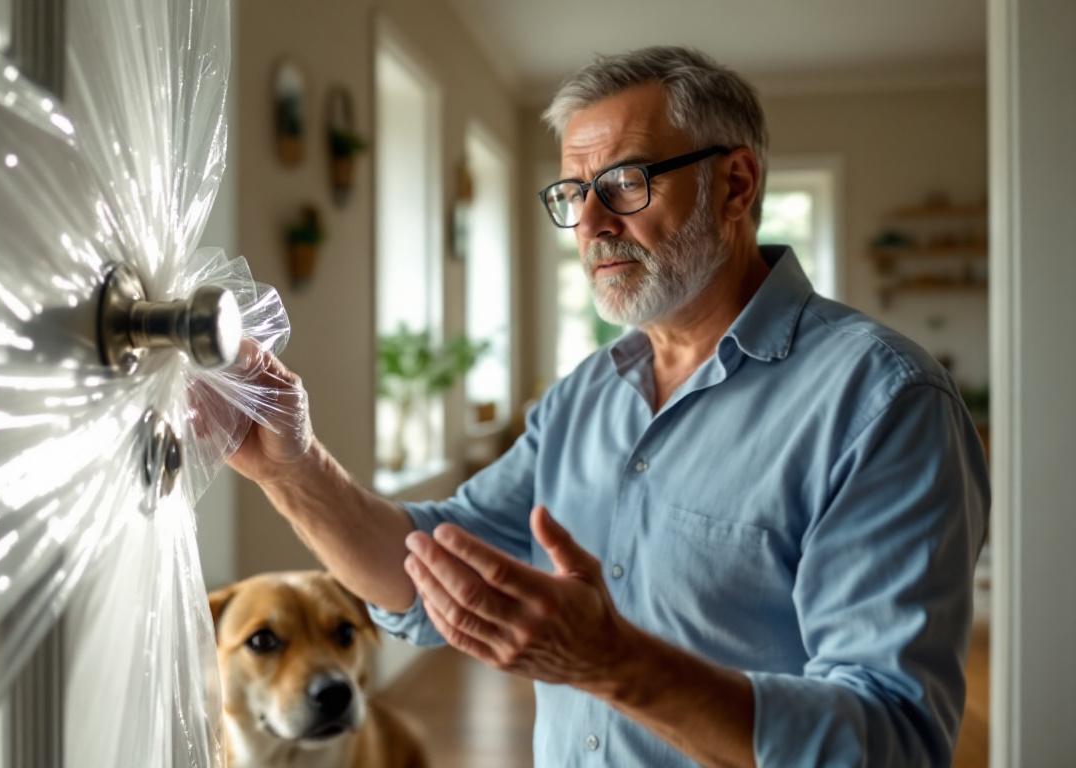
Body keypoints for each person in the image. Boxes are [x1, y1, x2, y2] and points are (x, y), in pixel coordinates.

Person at [227, 46, 989, 767]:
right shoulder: (583, 397)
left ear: (736, 185)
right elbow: (425, 568)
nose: (590, 225)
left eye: (625, 182)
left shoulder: (882, 403)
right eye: (571, 193)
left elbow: (892, 740)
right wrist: (288, 468)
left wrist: (612, 663)